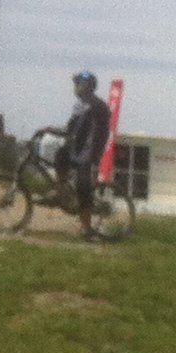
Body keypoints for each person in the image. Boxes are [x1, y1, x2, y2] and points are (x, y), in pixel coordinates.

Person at [57, 71, 112, 239]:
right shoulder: (80, 105)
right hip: (76, 149)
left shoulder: (97, 106)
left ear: (89, 86)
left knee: (83, 189)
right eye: (76, 84)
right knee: (60, 155)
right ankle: (63, 190)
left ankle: (87, 229)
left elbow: (99, 133)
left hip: (88, 154)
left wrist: (94, 155)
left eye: (79, 84)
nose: (76, 87)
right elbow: (70, 128)